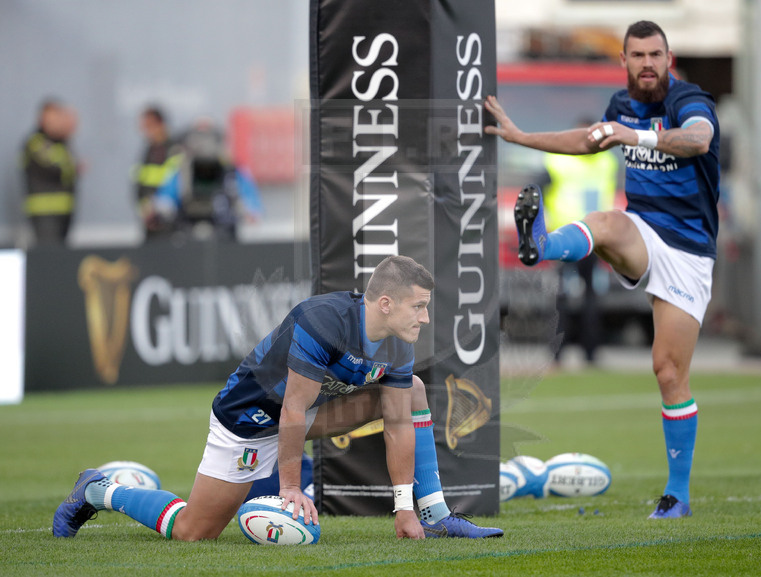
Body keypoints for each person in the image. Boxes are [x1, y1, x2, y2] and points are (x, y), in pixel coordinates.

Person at [53, 255, 503, 540]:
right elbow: (291, 407)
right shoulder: (321, 321)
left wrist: (403, 508)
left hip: (308, 416)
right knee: (194, 532)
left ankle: (434, 515)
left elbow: (398, 423)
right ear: (385, 303)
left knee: (410, 392)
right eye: (418, 306)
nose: (425, 318)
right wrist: (289, 488)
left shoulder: (399, 343)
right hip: (250, 422)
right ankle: (98, 489)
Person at [485, 20, 720, 519]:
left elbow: (699, 140)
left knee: (668, 371)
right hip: (643, 230)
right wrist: (521, 136)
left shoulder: (688, 100)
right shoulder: (621, 104)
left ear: (669, 59)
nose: (648, 63)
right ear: (624, 60)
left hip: (689, 251)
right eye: (638, 55)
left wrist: (635, 135)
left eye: (656, 54)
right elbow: (587, 140)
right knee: (610, 221)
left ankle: (677, 495)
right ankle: (542, 244)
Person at [539, 118, 619, 365]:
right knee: (590, 297)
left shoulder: (558, 160)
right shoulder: (607, 161)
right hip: (592, 237)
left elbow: (535, 192)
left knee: (562, 297)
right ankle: (590, 354)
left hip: (567, 238)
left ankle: (559, 355)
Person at [152, 118, 262, 241]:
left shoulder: (232, 172)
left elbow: (250, 201)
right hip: (187, 230)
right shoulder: (181, 172)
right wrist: (162, 209)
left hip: (224, 232)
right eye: (198, 139)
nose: (203, 144)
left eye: (208, 138)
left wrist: (249, 213)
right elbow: (165, 197)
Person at [20, 99, 80, 245]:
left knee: (61, 253)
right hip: (44, 212)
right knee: (50, 253)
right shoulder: (35, 143)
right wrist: (73, 168)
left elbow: (70, 167)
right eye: (52, 118)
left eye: (58, 118)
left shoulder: (61, 143)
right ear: (42, 120)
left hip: (64, 210)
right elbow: (58, 169)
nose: (56, 122)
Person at [132, 106, 183, 240]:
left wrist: (159, 207)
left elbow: (179, 187)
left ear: (161, 124)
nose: (146, 131)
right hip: (150, 224)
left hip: (172, 225)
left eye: (149, 126)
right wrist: (145, 209)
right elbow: (140, 185)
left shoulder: (175, 150)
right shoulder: (148, 151)